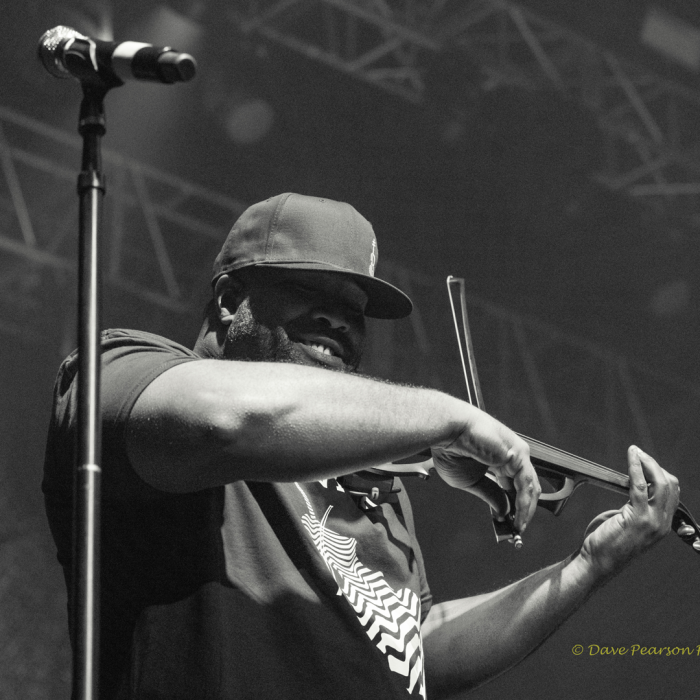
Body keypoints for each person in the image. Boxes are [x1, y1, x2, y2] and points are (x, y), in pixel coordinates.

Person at [43, 192, 679, 700]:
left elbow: (417, 652)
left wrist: (586, 568)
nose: (341, 322)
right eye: (312, 292)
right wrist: (443, 417)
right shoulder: (123, 370)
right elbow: (224, 420)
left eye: (356, 310)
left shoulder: (374, 487)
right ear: (231, 297)